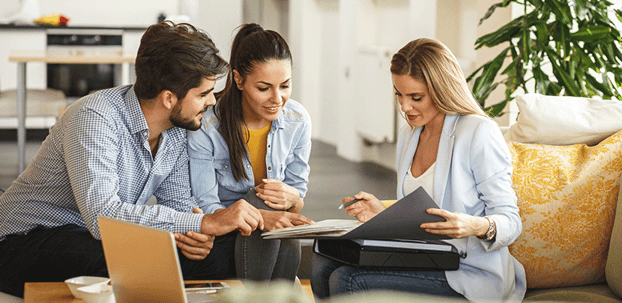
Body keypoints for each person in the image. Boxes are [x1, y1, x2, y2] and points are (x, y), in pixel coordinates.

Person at [0, 21, 265, 298]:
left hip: (96, 238)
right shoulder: (95, 117)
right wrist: (202, 223)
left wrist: (194, 236)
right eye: (203, 94)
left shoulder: (175, 131)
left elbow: (179, 205)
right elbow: (102, 216)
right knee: (120, 257)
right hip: (22, 241)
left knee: (215, 257)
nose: (211, 101)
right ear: (168, 98)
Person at [310, 38, 526, 302]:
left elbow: (511, 221)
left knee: (347, 279)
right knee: (323, 264)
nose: (404, 107)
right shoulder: (410, 135)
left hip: (467, 271)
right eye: (398, 94)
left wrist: (474, 225)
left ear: (442, 90)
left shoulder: (478, 132)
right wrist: (384, 213)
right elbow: (421, 215)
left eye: (416, 97)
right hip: (425, 258)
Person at [187, 23, 313, 282]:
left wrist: (292, 198)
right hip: (225, 229)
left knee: (275, 210)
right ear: (239, 80)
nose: (277, 98)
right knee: (258, 200)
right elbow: (206, 205)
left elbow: (297, 200)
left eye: (285, 86)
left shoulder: (298, 120)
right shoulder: (208, 126)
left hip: (272, 230)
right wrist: (261, 216)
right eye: (264, 88)